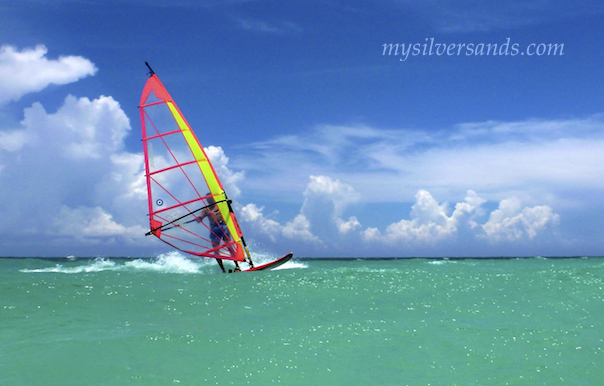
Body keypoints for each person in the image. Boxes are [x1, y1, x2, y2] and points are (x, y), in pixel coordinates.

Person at [197, 194, 240, 272]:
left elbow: (229, 203)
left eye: (210, 198)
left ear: (213, 198)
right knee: (216, 250)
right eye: (207, 199)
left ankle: (237, 266)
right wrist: (199, 218)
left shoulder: (220, 205)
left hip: (223, 226)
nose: (209, 200)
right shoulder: (206, 210)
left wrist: (228, 202)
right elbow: (200, 219)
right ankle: (223, 270)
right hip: (214, 229)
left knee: (229, 245)